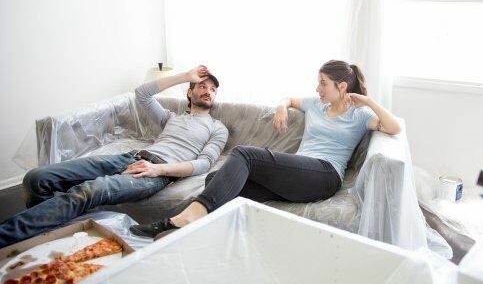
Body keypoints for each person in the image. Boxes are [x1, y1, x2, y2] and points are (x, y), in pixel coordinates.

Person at [130, 60, 400, 239]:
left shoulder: (360, 115)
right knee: (218, 181)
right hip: (298, 176)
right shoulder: (317, 105)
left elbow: (394, 127)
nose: (317, 88)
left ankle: (185, 220)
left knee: (245, 154)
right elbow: (289, 99)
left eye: (323, 83)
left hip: (325, 174)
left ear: (341, 87)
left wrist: (367, 100)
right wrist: (282, 107)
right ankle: (186, 230)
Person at [0, 65, 228, 248]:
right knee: (36, 178)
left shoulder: (217, 128)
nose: (208, 91)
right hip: (128, 157)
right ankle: (49, 236)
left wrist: (158, 170)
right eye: (202, 86)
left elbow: (204, 163)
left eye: (213, 89)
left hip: (155, 172)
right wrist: (185, 76)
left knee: (88, 191)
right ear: (190, 92)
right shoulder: (171, 118)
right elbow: (142, 94)